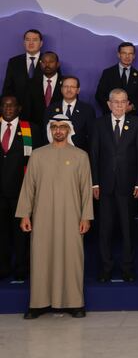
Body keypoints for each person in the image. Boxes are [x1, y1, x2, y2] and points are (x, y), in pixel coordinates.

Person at [16, 115, 92, 319]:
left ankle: (74, 303)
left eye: (63, 127)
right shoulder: (38, 155)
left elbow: (86, 190)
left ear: (69, 130)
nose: (58, 130)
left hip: (72, 217)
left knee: (72, 258)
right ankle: (38, 304)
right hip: (43, 217)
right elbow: (28, 187)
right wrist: (25, 215)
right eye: (55, 127)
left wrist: (86, 217)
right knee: (41, 258)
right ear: (50, 130)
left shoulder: (80, 156)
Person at [90, 89, 138, 282]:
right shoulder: (99, 124)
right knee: (104, 229)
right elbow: (94, 154)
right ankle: (106, 268)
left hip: (128, 185)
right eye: (116, 102)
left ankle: (128, 268)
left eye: (123, 102)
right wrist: (94, 182)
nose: (120, 105)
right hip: (104, 186)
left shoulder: (137, 123)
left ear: (128, 104)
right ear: (109, 104)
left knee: (128, 229)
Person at [0, 96, 42, 281]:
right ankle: (3, 267)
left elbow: (37, 161)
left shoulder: (30, 129)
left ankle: (21, 268)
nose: (8, 108)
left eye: (12, 105)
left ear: (19, 108)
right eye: (4, 105)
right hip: (0, 193)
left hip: (22, 191)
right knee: (1, 232)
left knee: (21, 233)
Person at [94, 42, 138, 116]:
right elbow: (99, 95)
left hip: (131, 117)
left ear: (134, 56)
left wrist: (131, 107)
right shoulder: (108, 73)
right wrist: (113, 108)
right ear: (119, 55)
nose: (127, 56)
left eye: (130, 54)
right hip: (110, 116)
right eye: (124, 53)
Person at [44, 75, 96, 151]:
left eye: (72, 87)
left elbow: (91, 136)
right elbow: (46, 134)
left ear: (78, 90)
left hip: (78, 153)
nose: (69, 90)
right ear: (61, 89)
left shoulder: (87, 110)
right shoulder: (51, 109)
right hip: (54, 152)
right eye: (66, 87)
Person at [2, 29, 43, 101]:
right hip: (19, 105)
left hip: (43, 106)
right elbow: (7, 88)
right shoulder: (14, 62)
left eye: (35, 40)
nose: (31, 43)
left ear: (41, 43)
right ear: (24, 43)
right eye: (27, 40)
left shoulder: (49, 61)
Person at [23, 51, 63, 124]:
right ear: (40, 64)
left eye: (51, 62)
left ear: (58, 64)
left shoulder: (66, 83)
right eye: (44, 62)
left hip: (60, 127)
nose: (47, 65)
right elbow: (26, 111)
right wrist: (26, 131)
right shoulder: (31, 83)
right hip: (36, 128)